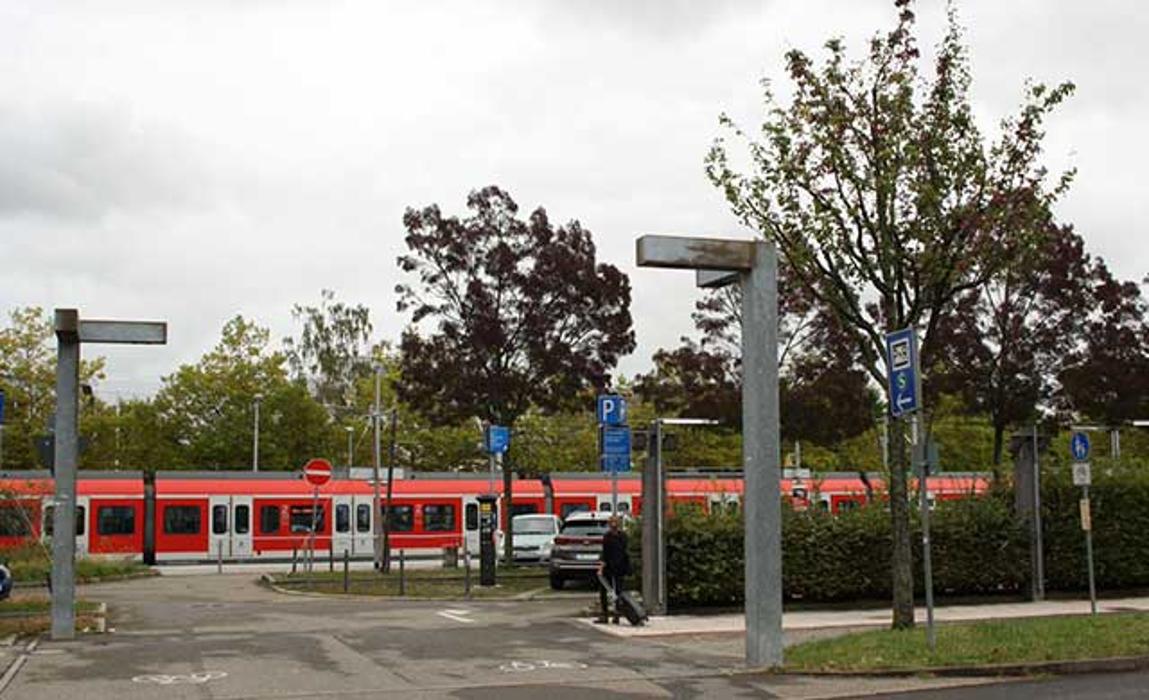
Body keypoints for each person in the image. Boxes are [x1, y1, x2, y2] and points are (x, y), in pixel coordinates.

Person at [596, 515, 629, 624]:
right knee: (617, 590)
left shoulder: (607, 536)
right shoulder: (623, 536)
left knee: (605, 590)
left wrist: (601, 567)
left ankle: (605, 615)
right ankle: (616, 614)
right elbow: (624, 552)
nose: (613, 525)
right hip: (619, 566)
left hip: (610, 566)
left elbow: (605, 553)